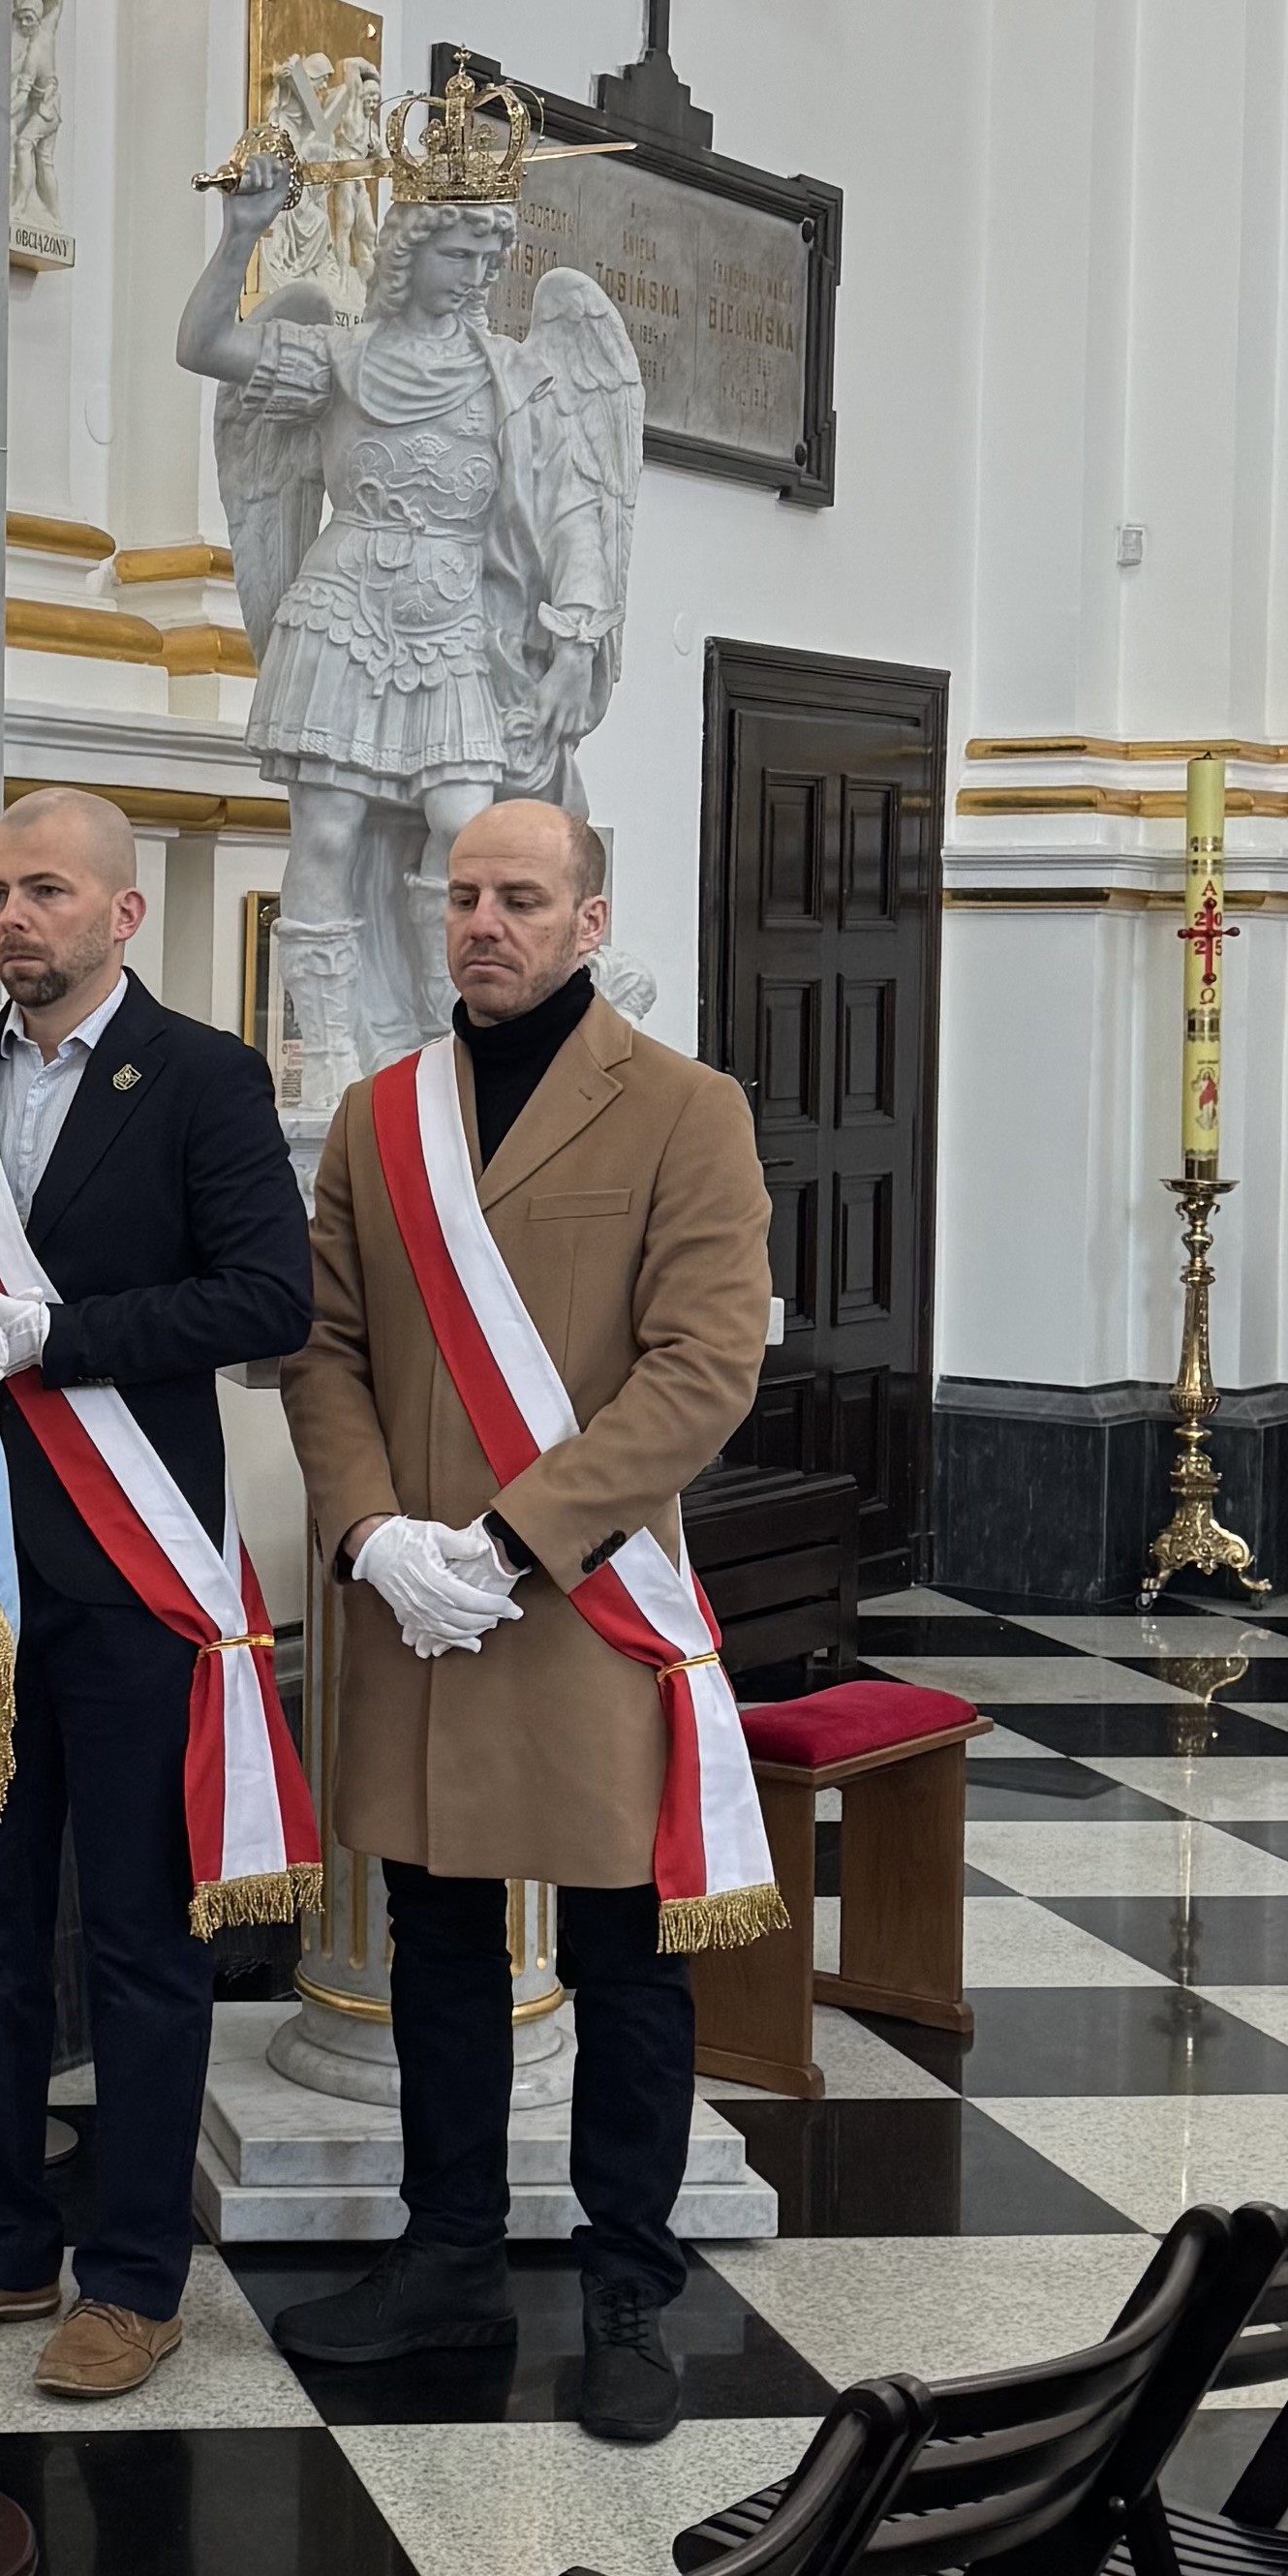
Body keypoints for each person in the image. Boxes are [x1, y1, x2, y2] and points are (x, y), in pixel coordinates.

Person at [278, 798, 774, 2444]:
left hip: (580, 1606)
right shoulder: (379, 1117)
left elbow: (702, 1368)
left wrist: (511, 1540)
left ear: (587, 919)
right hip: (416, 1610)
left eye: (520, 897)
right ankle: (448, 2260)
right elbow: (323, 1348)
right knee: (434, 1942)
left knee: (624, 1961)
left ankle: (628, 2288)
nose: (482, 922)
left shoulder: (684, 1109)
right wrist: (371, 1533)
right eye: (464, 896)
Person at [0, 787, 313, 2401]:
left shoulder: (200, 1076)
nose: (13, 916)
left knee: (138, 1939)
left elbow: (267, 1298)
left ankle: (132, 2281)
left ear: (121, 913)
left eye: (46, 891)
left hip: (134, 1581)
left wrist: (60, 1340)